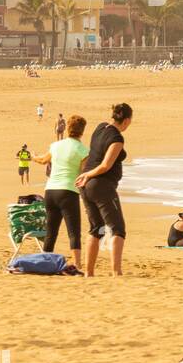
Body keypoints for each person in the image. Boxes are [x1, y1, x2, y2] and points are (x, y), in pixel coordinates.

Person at [76, 103, 133, 277]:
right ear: (127, 120)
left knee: (96, 228)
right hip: (101, 185)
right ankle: (116, 272)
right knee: (117, 229)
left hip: (86, 186)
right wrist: (88, 175)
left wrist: (85, 175)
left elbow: (94, 156)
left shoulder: (100, 127)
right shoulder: (117, 138)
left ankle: (89, 272)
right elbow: (105, 165)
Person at [31, 115, 89, 268]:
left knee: (51, 230)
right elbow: (84, 174)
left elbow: (43, 160)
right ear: (82, 131)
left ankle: (44, 261)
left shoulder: (55, 145)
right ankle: (76, 264)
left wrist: (33, 156)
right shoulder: (83, 150)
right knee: (74, 231)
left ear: (68, 128)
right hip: (68, 192)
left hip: (50, 191)